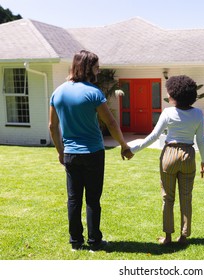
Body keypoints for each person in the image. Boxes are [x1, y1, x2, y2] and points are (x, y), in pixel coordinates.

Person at [49, 50, 132, 251]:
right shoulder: (93, 92)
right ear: (87, 68)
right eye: (96, 66)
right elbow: (111, 123)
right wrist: (124, 145)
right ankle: (95, 242)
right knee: (93, 199)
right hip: (93, 153)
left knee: (74, 199)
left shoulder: (58, 92)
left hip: (70, 154)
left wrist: (61, 151)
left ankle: (76, 242)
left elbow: (52, 126)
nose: (98, 69)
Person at [123, 75, 204, 245]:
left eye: (169, 93)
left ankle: (168, 238)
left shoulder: (168, 112)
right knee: (186, 197)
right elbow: (200, 139)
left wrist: (133, 150)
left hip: (169, 154)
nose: (168, 96)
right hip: (188, 154)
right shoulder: (198, 113)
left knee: (168, 198)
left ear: (176, 95)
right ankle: (183, 236)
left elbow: (154, 136)